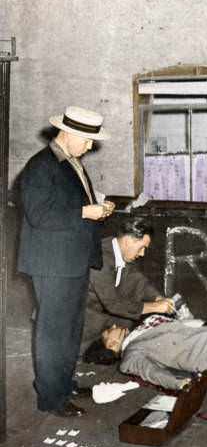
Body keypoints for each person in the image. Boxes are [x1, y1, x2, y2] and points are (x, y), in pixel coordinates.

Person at [18, 106, 115, 417]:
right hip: (52, 263)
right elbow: (39, 214)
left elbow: (68, 201)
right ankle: (50, 398)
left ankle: (63, 383)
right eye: (87, 141)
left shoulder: (70, 161)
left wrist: (96, 205)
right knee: (53, 331)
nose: (90, 147)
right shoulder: (41, 167)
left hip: (71, 260)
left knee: (71, 327)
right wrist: (86, 212)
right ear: (69, 134)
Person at [81, 217, 175, 353]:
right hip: (85, 332)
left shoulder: (118, 251)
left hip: (102, 322)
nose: (142, 253)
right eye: (142, 247)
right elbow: (112, 304)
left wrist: (158, 298)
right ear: (129, 240)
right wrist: (155, 307)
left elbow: (138, 281)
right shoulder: (100, 257)